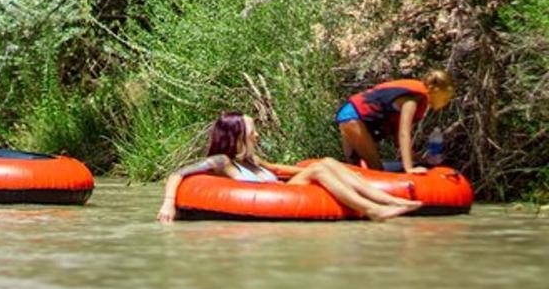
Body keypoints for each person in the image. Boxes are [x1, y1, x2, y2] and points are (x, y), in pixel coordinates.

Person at [157, 111, 422, 223]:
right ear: (236, 135)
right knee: (319, 170)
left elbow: (282, 170)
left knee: (325, 163)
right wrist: (168, 203)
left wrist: (339, 170)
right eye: (253, 130)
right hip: (273, 197)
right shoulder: (223, 162)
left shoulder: (253, 160)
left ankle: (389, 201)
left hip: (285, 189)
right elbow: (177, 173)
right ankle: (373, 210)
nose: (257, 134)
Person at [337, 70, 455, 173]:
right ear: (436, 91)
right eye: (445, 98)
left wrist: (414, 157)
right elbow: (404, 133)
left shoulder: (415, 96)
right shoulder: (414, 99)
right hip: (353, 117)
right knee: (376, 169)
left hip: (348, 114)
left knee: (354, 166)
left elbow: (397, 134)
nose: (445, 102)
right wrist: (409, 168)